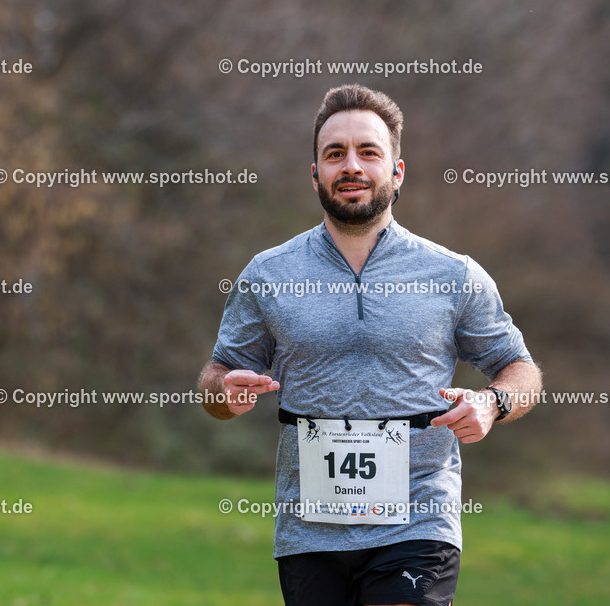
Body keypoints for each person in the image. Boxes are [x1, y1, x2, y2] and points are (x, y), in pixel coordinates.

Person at [198, 84, 542, 606]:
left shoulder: (452, 274)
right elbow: (216, 379)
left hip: (419, 518)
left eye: (368, 152)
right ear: (315, 174)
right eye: (335, 154)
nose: (351, 166)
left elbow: (518, 366)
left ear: (397, 171)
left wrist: (493, 404)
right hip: (309, 526)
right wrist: (225, 391)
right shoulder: (269, 274)